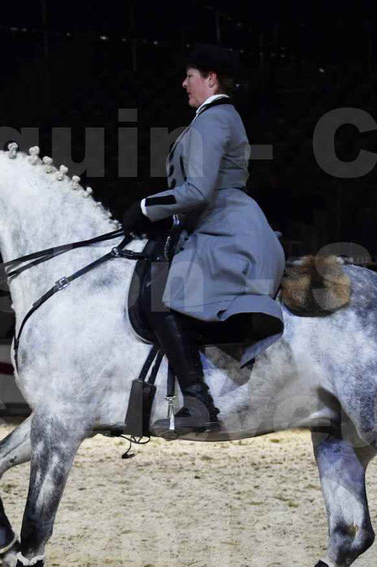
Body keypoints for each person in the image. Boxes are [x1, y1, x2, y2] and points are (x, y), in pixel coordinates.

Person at [121, 43, 286, 434]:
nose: (184, 83)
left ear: (211, 79)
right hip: (215, 224)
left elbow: (197, 190)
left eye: (190, 76)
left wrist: (144, 208)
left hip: (227, 231)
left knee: (162, 296)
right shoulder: (217, 118)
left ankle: (198, 402)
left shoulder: (213, 119)